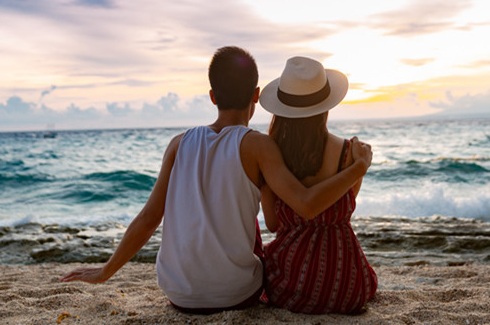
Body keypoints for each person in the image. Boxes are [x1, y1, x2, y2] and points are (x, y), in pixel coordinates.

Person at [60, 47, 373, 314]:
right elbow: (303, 204)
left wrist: (106, 271)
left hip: (178, 294)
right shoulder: (259, 146)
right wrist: (358, 167)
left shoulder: (178, 144)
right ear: (256, 95)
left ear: (212, 96)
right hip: (237, 296)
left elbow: (148, 218)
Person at [258, 56, 377, 314]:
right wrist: (359, 168)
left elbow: (273, 224)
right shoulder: (350, 153)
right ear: (326, 107)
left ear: (282, 111)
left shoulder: (271, 155)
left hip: (292, 285)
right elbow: (346, 208)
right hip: (347, 283)